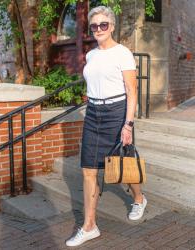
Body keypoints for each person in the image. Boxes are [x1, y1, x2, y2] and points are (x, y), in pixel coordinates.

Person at [66, 5, 147, 247]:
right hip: (93, 114)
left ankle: (139, 198)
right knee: (88, 169)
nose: (99, 29)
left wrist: (128, 125)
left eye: (103, 24)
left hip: (116, 112)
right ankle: (90, 226)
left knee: (122, 162)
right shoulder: (91, 55)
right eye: (94, 25)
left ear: (111, 26)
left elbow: (132, 91)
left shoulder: (122, 53)